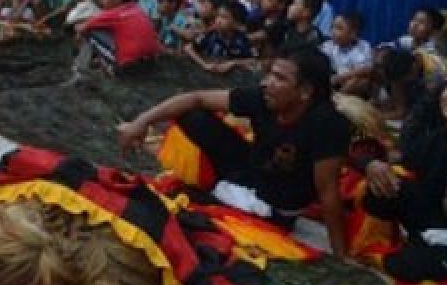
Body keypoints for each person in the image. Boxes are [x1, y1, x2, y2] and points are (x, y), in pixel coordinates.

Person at [120, 47, 351, 256]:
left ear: (305, 91)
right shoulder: (265, 98)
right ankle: (223, 190)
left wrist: (340, 256)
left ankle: (230, 199)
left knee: (188, 208)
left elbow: (328, 191)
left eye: (279, 78)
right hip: (252, 170)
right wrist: (141, 122)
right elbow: (196, 98)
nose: (267, 82)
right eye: (270, 74)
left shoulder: (327, 124)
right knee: (194, 116)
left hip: (277, 200)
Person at [363, 69, 447, 284]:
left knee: (405, 266)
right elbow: (401, 164)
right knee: (378, 188)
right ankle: (427, 243)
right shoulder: (437, 138)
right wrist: (373, 165)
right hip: (436, 217)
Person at [73, 0, 161, 74]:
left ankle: (81, 69)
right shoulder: (137, 9)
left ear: (117, 0)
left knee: (89, 31)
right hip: (152, 63)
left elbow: (80, 28)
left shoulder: (113, 13)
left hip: (127, 66)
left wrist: (81, 26)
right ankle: (99, 61)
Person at [186, 1, 254, 73]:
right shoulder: (210, 33)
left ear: (237, 23)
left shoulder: (242, 40)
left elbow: (253, 61)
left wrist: (233, 63)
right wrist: (204, 64)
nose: (218, 20)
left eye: (224, 17)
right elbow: (188, 48)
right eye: (218, 16)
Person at [323, 13, 374, 97]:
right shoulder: (329, 45)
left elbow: (366, 69)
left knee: (359, 80)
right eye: (333, 27)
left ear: (353, 34)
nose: (333, 32)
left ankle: (337, 97)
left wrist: (340, 77)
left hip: (350, 83)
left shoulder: (363, 46)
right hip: (332, 81)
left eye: (339, 28)